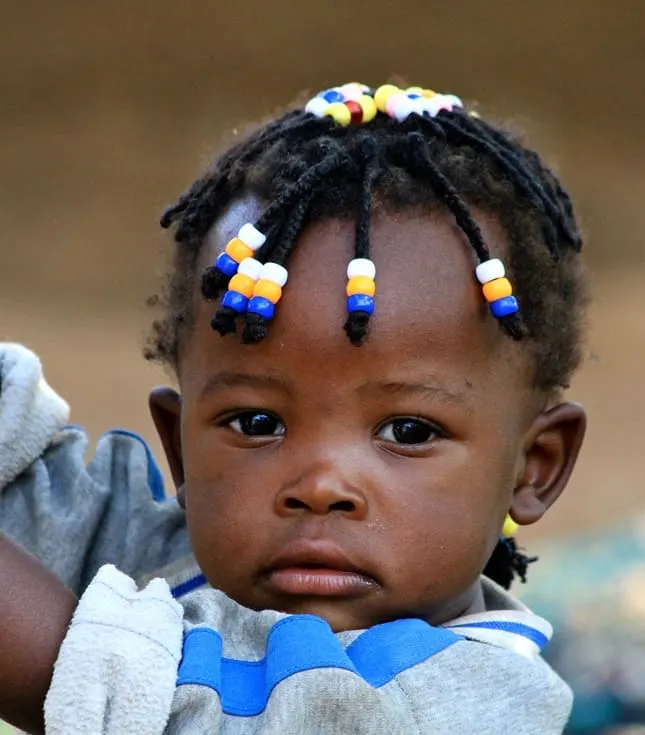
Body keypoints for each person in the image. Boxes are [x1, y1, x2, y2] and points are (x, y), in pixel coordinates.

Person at [0, 81, 588, 734]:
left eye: (408, 430)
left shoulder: (475, 698)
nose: (320, 485)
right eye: (257, 423)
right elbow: (20, 477)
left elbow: (175, 712)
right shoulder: (175, 569)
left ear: (533, 466)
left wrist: (38, 659)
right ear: (179, 447)